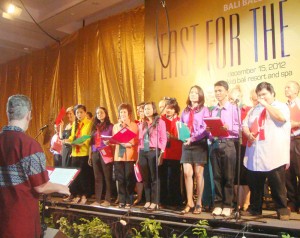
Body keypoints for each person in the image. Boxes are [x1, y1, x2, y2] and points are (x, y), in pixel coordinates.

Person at [0, 95, 70, 238]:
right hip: (20, 221)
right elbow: (40, 187)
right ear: (29, 115)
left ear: (8, 113)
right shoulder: (29, 145)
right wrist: (61, 187)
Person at [242, 82, 291, 220]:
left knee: (277, 184)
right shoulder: (254, 109)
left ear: (272, 94)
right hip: (256, 152)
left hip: (273, 153)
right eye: (259, 95)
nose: (261, 97)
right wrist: (248, 134)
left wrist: (266, 105)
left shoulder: (280, 106)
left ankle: (282, 210)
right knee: (255, 184)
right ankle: (255, 209)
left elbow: (281, 118)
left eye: (264, 94)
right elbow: (245, 124)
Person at [209, 80, 240, 217]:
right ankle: (218, 204)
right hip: (215, 143)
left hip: (228, 144)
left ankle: (228, 205)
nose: (218, 93)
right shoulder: (214, 109)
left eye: (220, 90)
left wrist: (229, 128)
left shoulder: (234, 108)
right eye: (216, 91)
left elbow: (239, 129)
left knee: (228, 176)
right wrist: (209, 129)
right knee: (216, 176)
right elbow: (211, 130)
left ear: (227, 92)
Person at [180, 86, 209, 214]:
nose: (193, 95)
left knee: (198, 174)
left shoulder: (204, 110)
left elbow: (205, 128)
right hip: (186, 144)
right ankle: (189, 201)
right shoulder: (185, 111)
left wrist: (193, 138)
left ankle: (199, 202)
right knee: (187, 173)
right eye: (191, 92)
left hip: (199, 143)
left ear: (200, 95)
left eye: (196, 93)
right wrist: (183, 133)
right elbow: (180, 125)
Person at [138, 102, 167, 211]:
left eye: (149, 108)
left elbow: (164, 138)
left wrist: (161, 152)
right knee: (145, 178)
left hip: (153, 151)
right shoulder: (142, 123)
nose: (147, 111)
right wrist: (138, 154)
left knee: (155, 177)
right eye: (145, 109)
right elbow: (140, 139)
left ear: (154, 109)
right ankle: (148, 200)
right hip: (143, 151)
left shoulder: (160, 122)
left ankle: (155, 201)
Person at [64, 104, 92, 204]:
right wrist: (66, 140)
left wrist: (77, 142)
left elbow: (86, 137)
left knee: (84, 175)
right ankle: (77, 194)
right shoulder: (75, 124)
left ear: (85, 112)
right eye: (77, 113)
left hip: (84, 153)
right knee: (76, 176)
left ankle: (84, 195)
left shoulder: (89, 123)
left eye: (81, 112)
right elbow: (72, 136)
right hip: (75, 153)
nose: (79, 114)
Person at [113, 103, 138, 209]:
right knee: (120, 178)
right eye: (121, 112)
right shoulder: (116, 126)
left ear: (129, 114)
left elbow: (136, 140)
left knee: (129, 178)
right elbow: (114, 140)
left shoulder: (134, 125)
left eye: (124, 112)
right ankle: (122, 200)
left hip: (130, 155)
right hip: (119, 155)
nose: (122, 114)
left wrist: (130, 143)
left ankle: (129, 200)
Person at [160, 98, 183, 207]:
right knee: (163, 177)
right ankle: (164, 201)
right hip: (164, 153)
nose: (168, 110)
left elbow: (183, 137)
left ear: (175, 110)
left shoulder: (179, 120)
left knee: (173, 178)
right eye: (166, 108)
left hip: (176, 152)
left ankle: (175, 201)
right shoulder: (161, 120)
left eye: (171, 108)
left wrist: (172, 137)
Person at [89, 107, 114, 207]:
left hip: (106, 153)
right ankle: (98, 200)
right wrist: (90, 155)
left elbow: (113, 140)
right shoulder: (95, 126)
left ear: (106, 113)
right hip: (95, 153)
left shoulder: (110, 126)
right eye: (97, 113)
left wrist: (109, 142)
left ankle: (108, 199)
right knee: (97, 177)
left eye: (101, 112)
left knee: (107, 177)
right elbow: (91, 142)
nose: (99, 114)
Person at [285, 81, 300, 214]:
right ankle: (292, 202)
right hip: (285, 141)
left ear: (296, 90)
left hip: (298, 139)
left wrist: (297, 123)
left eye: (288, 87)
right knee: (288, 173)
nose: (286, 89)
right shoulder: (283, 106)